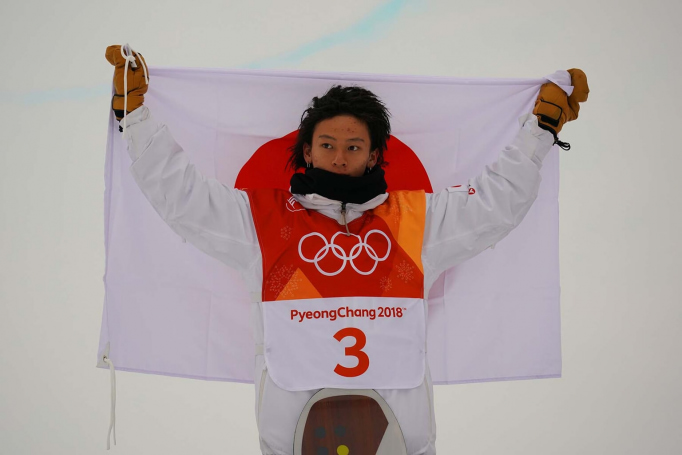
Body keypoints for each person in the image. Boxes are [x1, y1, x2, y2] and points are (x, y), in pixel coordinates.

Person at [105, 44, 588, 455]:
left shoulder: (416, 221)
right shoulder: (261, 220)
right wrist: (135, 116)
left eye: (354, 146)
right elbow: (182, 195)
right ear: (307, 151)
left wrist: (541, 127)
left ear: (375, 154)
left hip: (400, 438)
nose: (340, 156)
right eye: (328, 144)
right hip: (292, 437)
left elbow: (496, 203)